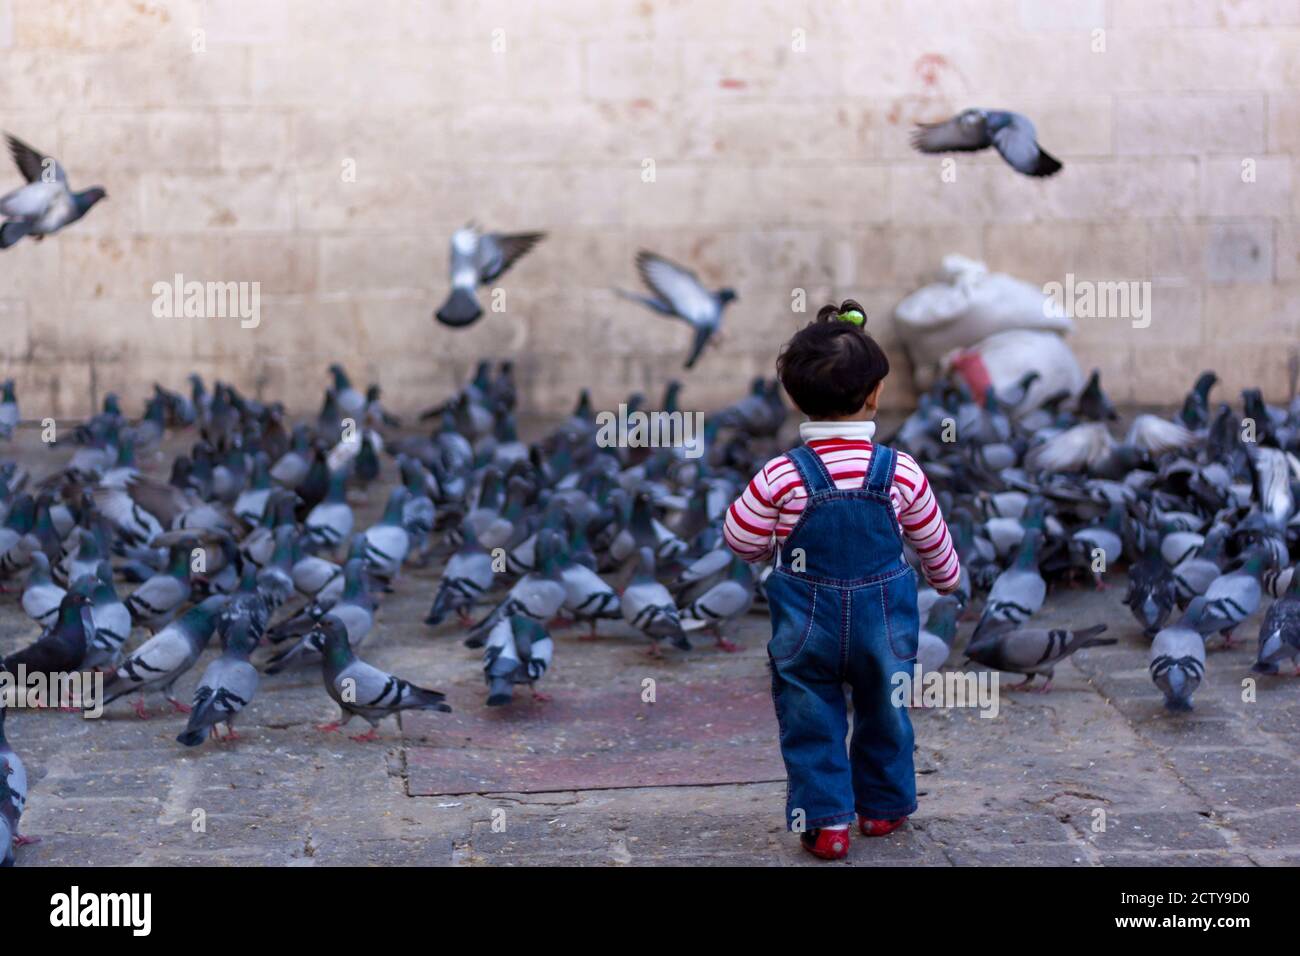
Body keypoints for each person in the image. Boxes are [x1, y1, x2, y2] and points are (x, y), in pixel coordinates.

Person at [723, 300, 960, 860]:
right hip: (884, 625)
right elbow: (934, 542)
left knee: (810, 716)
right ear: (875, 394)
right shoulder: (900, 471)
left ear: (793, 398)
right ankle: (882, 810)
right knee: (886, 710)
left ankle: (827, 823)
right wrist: (947, 580)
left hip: (807, 627)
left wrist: (764, 548)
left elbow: (739, 538)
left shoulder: (781, 474)